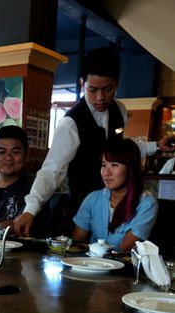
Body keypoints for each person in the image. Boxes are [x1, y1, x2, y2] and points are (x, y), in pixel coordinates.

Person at [14, 46, 173, 237]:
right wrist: (30, 209)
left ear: (116, 83)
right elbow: (52, 170)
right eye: (93, 90)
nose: (100, 98)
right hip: (81, 211)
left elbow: (119, 150)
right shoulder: (70, 124)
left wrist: (156, 146)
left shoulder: (119, 110)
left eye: (107, 89)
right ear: (82, 84)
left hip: (114, 207)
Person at [72, 138, 157, 251]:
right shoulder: (93, 199)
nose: (106, 173)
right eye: (103, 165)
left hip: (121, 262)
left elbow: (123, 249)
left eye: (114, 165)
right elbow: (77, 242)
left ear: (130, 168)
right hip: (89, 261)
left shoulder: (147, 203)